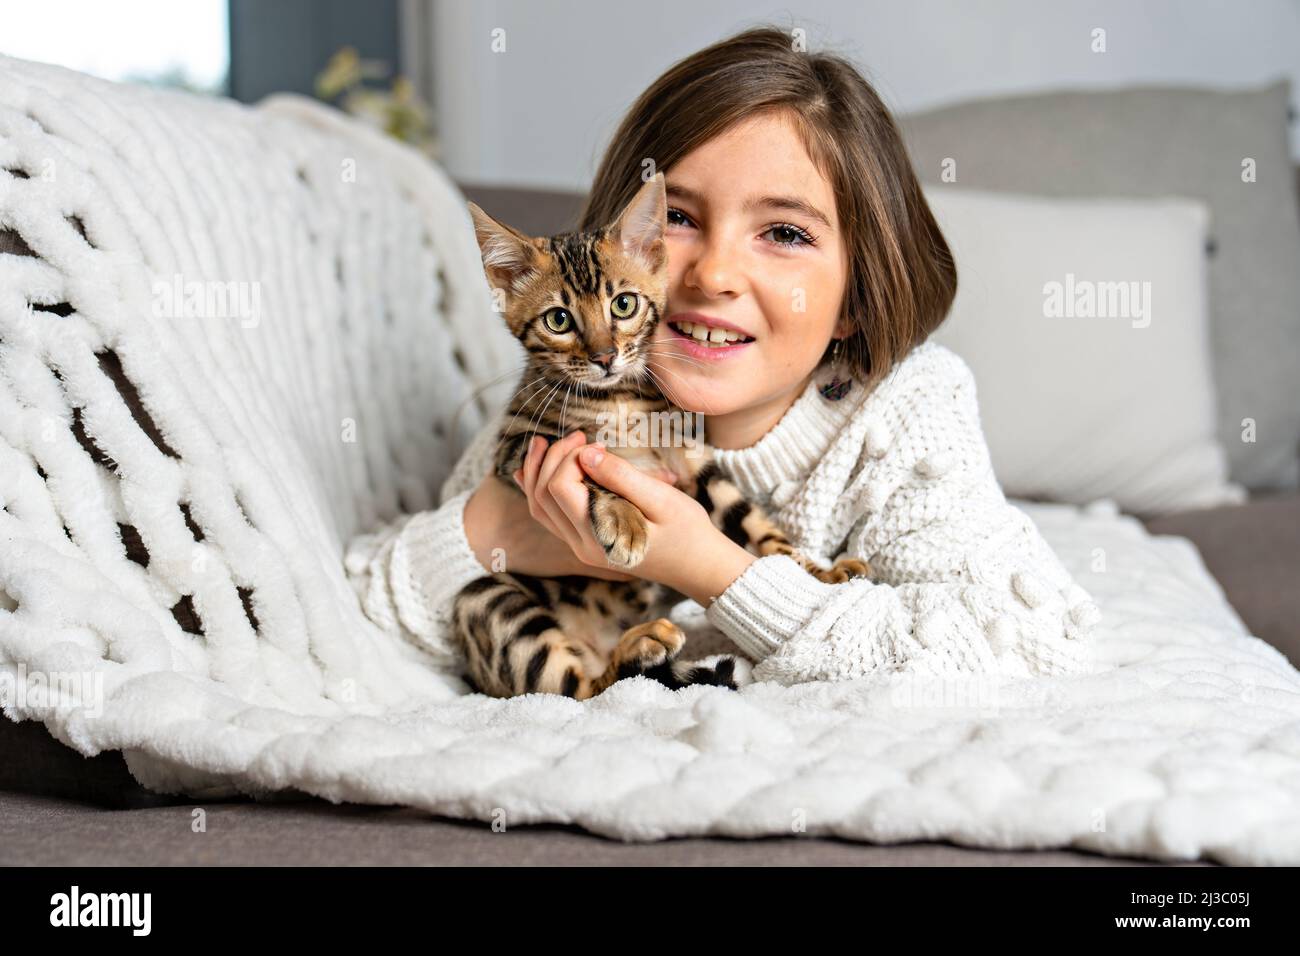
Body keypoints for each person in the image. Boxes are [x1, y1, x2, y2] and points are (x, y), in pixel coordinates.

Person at [344, 26, 1100, 687]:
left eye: (785, 233)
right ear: (622, 249)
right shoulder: (569, 397)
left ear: (858, 300)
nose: (710, 275)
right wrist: (499, 533)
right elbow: (375, 609)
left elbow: (1028, 650)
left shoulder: (905, 416)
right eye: (675, 217)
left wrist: (706, 567)